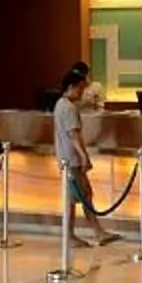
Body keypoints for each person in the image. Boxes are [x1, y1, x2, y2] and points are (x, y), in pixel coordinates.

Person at [52, 64, 111, 245]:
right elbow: (73, 134)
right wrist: (84, 156)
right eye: (80, 88)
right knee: (77, 197)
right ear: (72, 87)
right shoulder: (68, 108)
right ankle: (76, 234)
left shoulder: (61, 104)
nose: (82, 92)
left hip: (67, 159)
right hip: (72, 160)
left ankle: (97, 231)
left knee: (83, 195)